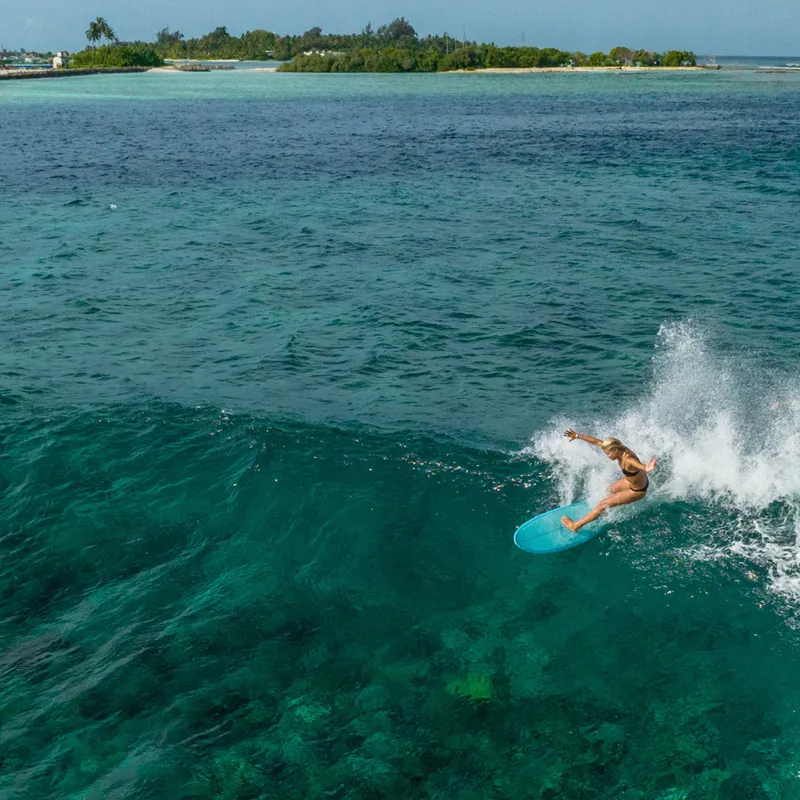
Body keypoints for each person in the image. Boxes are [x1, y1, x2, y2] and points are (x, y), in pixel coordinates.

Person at [560, 428, 657, 532]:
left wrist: (646, 467)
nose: (608, 456)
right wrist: (577, 436)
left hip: (637, 491)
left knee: (603, 504)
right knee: (609, 490)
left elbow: (640, 466)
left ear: (615, 450)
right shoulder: (618, 448)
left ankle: (575, 526)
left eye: (608, 454)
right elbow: (597, 442)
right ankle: (600, 510)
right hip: (630, 482)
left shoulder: (629, 459)